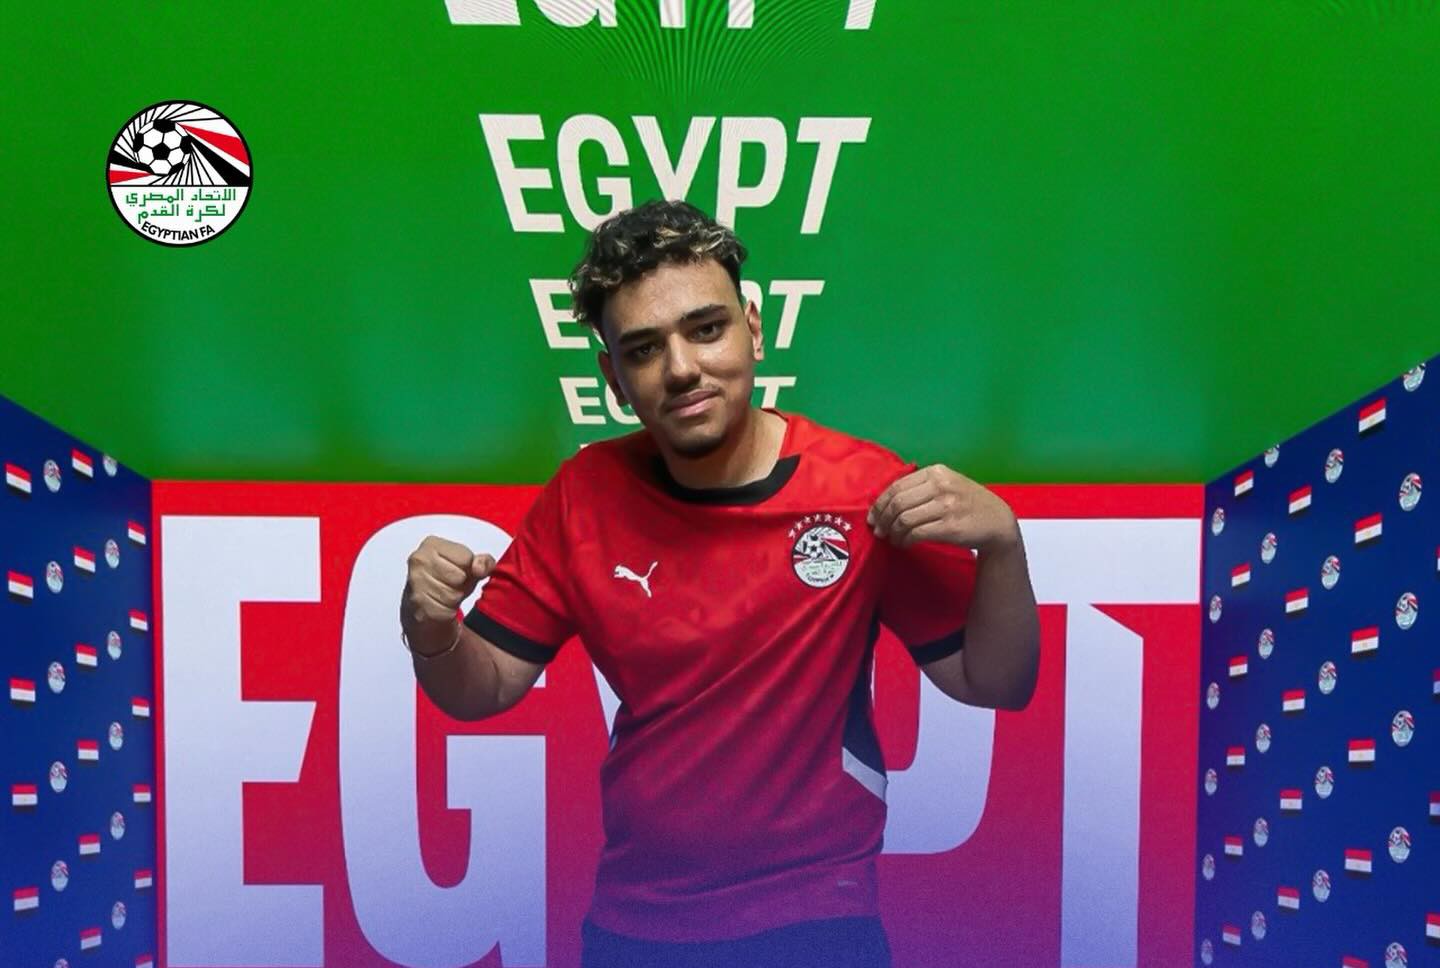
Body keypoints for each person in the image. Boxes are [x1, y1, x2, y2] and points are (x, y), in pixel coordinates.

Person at [400, 199, 1041, 968]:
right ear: (613, 377)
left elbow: (995, 681)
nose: (680, 369)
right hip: (637, 927)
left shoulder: (861, 490)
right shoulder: (584, 495)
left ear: (754, 330)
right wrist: (430, 629)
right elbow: (484, 687)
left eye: (705, 329)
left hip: (819, 921)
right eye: (643, 349)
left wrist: (1004, 546)